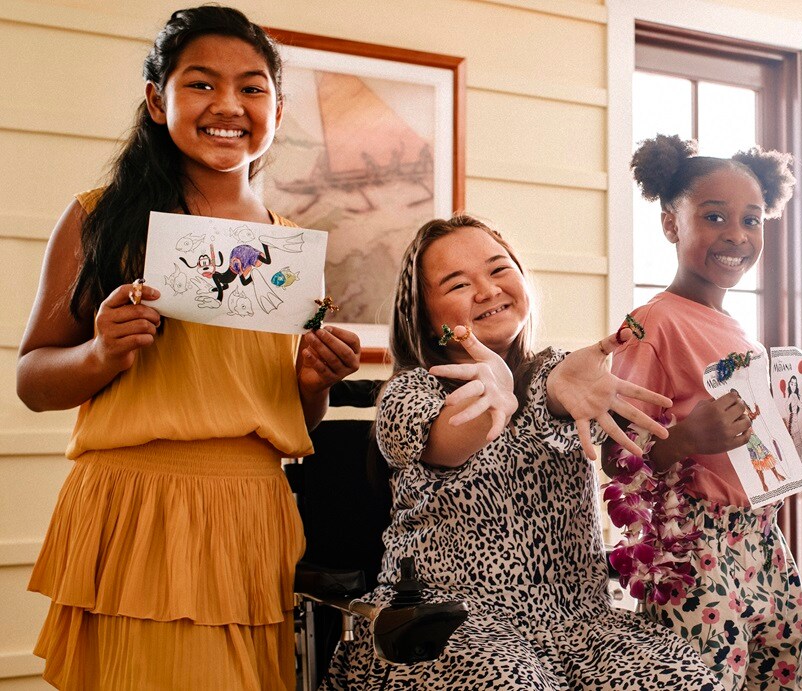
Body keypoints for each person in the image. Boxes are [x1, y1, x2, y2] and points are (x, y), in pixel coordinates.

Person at [16, 6, 361, 688]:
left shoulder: (290, 249)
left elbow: (291, 419)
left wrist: (313, 383)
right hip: (139, 508)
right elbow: (31, 379)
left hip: (252, 516)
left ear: (278, 108)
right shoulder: (99, 218)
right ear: (156, 100)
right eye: (201, 84)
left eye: (252, 87)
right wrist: (101, 354)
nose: (227, 105)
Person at [324, 214, 718, 690]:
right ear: (427, 318)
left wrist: (548, 387)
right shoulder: (409, 395)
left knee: (681, 677)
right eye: (457, 285)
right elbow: (447, 443)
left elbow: (551, 390)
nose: (488, 291)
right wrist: (494, 395)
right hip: (448, 626)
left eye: (498, 269)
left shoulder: (562, 377)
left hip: (579, 627)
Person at [610, 134, 802, 689]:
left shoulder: (741, 335)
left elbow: (756, 445)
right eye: (715, 216)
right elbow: (612, 453)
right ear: (671, 224)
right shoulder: (652, 324)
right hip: (694, 548)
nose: (737, 235)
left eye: (752, 220)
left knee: (787, 675)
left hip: (763, 539)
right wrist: (683, 438)